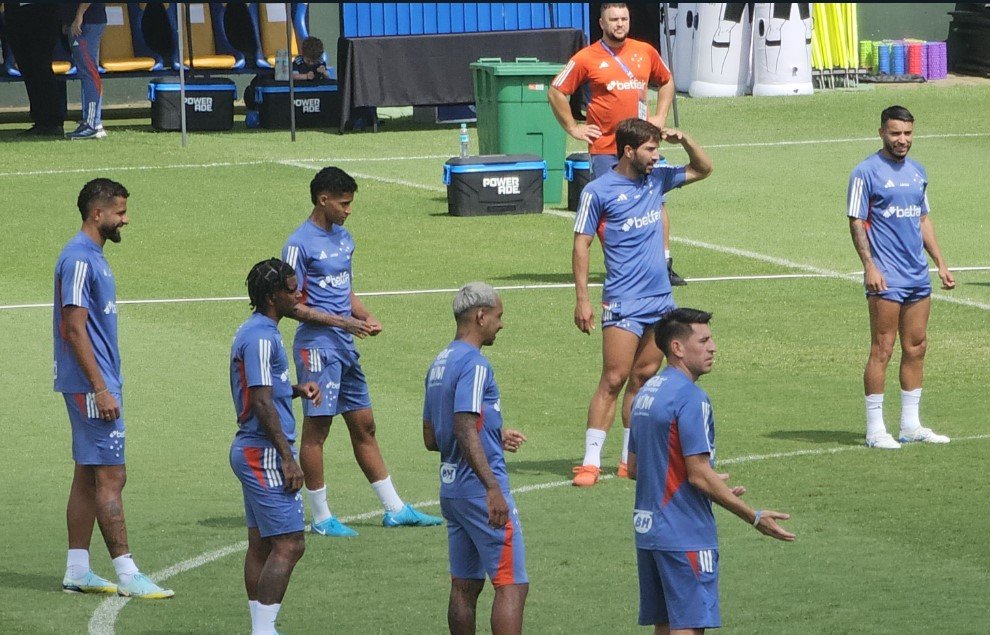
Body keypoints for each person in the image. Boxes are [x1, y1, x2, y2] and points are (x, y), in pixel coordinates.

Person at [282, 166, 443, 536]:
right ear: (322, 199)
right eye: (343, 204)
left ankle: (395, 509)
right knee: (317, 430)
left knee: (365, 425)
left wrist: (365, 315)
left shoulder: (345, 239)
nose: (348, 210)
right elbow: (291, 306)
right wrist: (344, 323)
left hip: (345, 346)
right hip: (317, 348)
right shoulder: (298, 244)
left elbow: (345, 290)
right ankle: (321, 517)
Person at [628, 308, 795, 633]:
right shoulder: (691, 398)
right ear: (677, 347)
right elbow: (698, 474)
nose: (713, 347)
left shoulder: (646, 393)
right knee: (689, 625)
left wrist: (709, 482)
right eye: (704, 341)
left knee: (666, 623)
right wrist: (754, 516)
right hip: (684, 533)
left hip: (649, 532)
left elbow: (636, 467)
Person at [571, 118, 712, 487]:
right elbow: (582, 244)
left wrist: (686, 139)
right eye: (650, 150)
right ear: (629, 151)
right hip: (623, 301)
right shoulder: (598, 191)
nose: (656, 156)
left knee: (643, 378)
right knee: (613, 378)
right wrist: (583, 299)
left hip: (660, 302)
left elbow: (703, 169)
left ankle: (627, 459)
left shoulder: (658, 179)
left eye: (657, 149)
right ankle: (589, 462)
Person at [53, 178, 173, 599]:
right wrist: (101, 388)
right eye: (120, 212)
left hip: (95, 382)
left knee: (88, 475)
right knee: (111, 475)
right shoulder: (78, 259)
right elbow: (73, 328)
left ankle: (77, 570)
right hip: (92, 386)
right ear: (97, 213)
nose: (126, 219)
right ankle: (127, 573)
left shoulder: (93, 256)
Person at [549, 2, 688, 286]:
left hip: (642, 144)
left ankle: (663, 263)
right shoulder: (586, 57)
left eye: (624, 18)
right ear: (601, 23)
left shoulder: (645, 51)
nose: (620, 24)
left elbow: (666, 81)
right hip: (605, 147)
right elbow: (556, 91)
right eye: (613, 19)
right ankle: (621, 264)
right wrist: (573, 127)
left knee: (656, 202)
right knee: (609, 206)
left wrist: (660, 116)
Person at [423, 282, 529, 635]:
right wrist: (492, 488)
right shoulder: (475, 364)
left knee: (464, 586)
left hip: (452, 492)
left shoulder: (439, 363)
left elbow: (432, 437)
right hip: (480, 492)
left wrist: (494, 434)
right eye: (498, 316)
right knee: (511, 584)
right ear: (481, 316)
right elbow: (464, 426)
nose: (501, 324)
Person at [847, 105, 955, 449]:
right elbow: (856, 221)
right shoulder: (865, 172)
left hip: (917, 276)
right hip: (886, 277)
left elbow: (922, 219)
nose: (902, 139)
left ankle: (910, 425)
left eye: (907, 133)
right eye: (895, 133)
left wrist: (940, 262)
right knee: (882, 348)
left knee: (917, 347)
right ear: (881, 132)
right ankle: (875, 429)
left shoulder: (917, 171)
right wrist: (870, 266)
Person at [230, 258, 321, 635]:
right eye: (291, 289)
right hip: (264, 451)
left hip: (254, 447)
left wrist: (294, 390)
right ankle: (264, 630)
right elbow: (261, 400)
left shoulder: (258, 330)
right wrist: (288, 458)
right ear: (272, 296)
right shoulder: (261, 337)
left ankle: (261, 628)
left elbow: (266, 390)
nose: (298, 295)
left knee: (262, 544)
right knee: (290, 544)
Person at [4, 2, 67, 136]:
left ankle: (53, 121)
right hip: (16, 14)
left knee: (41, 66)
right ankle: (41, 120)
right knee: (28, 69)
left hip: (41, 13)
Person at [62, 3, 107, 140]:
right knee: (88, 73)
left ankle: (92, 124)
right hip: (82, 23)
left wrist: (79, 16)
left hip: (86, 24)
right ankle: (94, 123)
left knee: (89, 73)